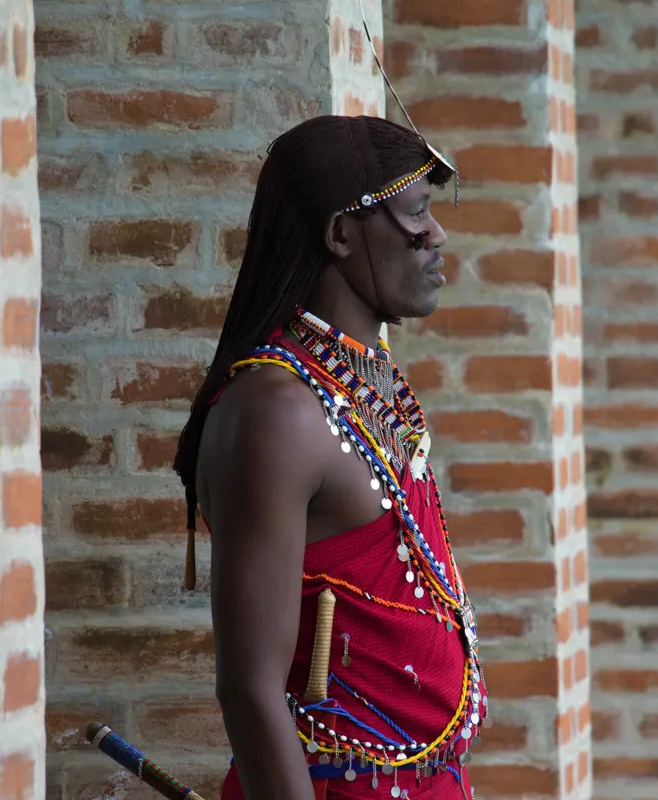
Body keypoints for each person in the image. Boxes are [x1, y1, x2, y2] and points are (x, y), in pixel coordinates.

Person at [174, 115, 487, 800]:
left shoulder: (370, 380)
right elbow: (250, 690)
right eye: (416, 214)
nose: (437, 236)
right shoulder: (275, 413)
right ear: (342, 234)